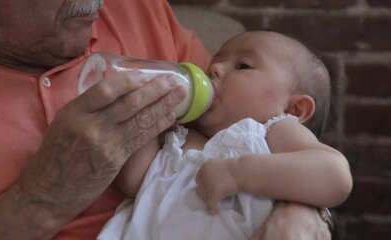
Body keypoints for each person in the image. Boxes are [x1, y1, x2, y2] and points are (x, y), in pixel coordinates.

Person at [0, 0, 333, 239]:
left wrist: (297, 211)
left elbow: (325, 170)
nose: (213, 70)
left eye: (240, 66)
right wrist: (40, 199)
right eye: (220, 61)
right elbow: (141, 178)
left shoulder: (135, 8)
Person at [97, 30, 352, 240]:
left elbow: (336, 175)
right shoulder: (178, 136)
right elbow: (134, 182)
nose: (215, 68)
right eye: (211, 66)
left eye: (243, 66)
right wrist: (145, 114)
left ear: (294, 108)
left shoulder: (272, 129)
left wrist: (239, 172)